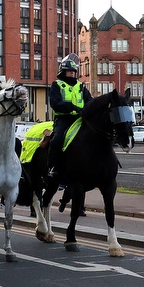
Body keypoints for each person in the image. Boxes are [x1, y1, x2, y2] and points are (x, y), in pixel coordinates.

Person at [47, 54, 92, 213]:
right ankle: (53, 168)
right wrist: (72, 107)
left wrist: (87, 110)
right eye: (69, 72)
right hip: (64, 120)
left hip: (79, 120)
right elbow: (55, 103)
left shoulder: (81, 86)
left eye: (74, 72)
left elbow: (89, 101)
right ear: (63, 72)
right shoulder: (57, 85)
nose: (72, 74)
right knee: (57, 139)